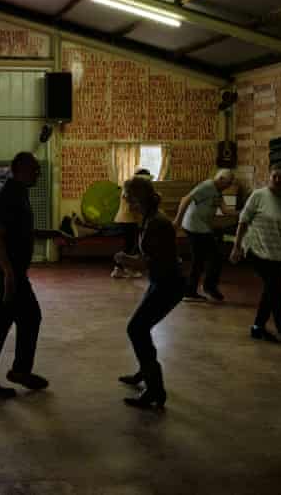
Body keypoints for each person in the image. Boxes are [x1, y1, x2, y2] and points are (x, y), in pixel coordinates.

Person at [0, 152, 50, 399]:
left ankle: (12, 372)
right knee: (16, 318)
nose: (38, 173)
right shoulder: (9, 195)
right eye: (35, 169)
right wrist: (8, 273)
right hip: (6, 269)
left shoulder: (19, 192)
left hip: (11, 269)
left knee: (15, 318)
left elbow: (21, 230)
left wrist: (53, 233)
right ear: (21, 169)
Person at [114, 176, 185, 410]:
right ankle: (145, 372)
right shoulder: (148, 218)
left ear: (138, 198)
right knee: (141, 328)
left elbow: (147, 262)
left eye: (128, 197)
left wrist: (125, 260)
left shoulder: (157, 222)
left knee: (136, 328)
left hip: (169, 285)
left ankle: (155, 390)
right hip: (161, 282)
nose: (127, 202)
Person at [230, 165, 281, 344]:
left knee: (272, 288)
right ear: (269, 177)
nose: (277, 180)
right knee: (273, 286)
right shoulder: (258, 195)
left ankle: (258, 327)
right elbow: (243, 221)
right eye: (274, 177)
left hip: (276, 253)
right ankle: (280, 325)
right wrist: (237, 246)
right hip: (255, 248)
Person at [174, 169, 236, 301]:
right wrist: (177, 221)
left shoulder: (218, 192)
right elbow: (185, 199)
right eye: (228, 183)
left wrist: (243, 213)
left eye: (231, 184)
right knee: (211, 257)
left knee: (203, 259)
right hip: (194, 226)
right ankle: (203, 288)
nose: (229, 186)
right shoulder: (207, 186)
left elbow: (225, 211)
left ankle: (195, 290)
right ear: (220, 179)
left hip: (202, 227)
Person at [112, 167, 151, 279]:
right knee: (130, 246)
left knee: (130, 246)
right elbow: (130, 201)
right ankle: (125, 269)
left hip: (127, 219)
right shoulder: (130, 185)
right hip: (127, 220)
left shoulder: (132, 185)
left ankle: (120, 269)